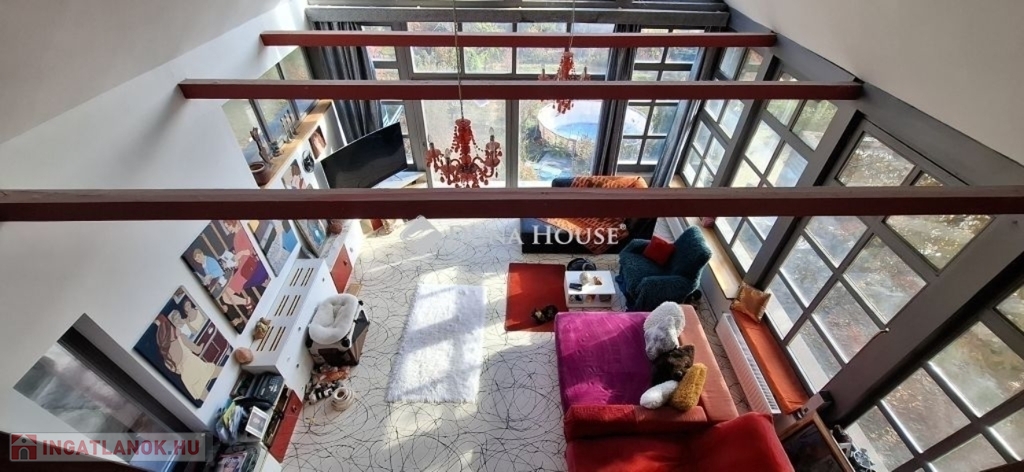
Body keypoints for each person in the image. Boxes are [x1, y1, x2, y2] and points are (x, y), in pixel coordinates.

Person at [156, 312, 221, 402]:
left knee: (208, 401)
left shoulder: (166, 358)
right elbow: (198, 350)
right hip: (198, 367)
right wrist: (202, 344)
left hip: (188, 379)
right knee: (221, 372)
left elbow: (177, 371)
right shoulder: (181, 338)